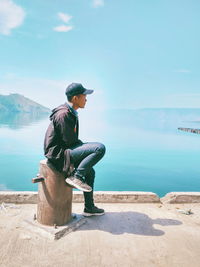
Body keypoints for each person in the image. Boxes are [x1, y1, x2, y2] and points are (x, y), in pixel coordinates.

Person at [44, 83, 106, 216]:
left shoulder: (70, 112)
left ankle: (89, 208)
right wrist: (84, 148)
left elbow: (70, 141)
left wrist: (83, 147)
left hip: (65, 149)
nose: (86, 99)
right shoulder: (63, 114)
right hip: (59, 154)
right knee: (99, 148)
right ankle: (76, 177)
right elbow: (68, 141)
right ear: (75, 98)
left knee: (90, 171)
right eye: (84, 96)